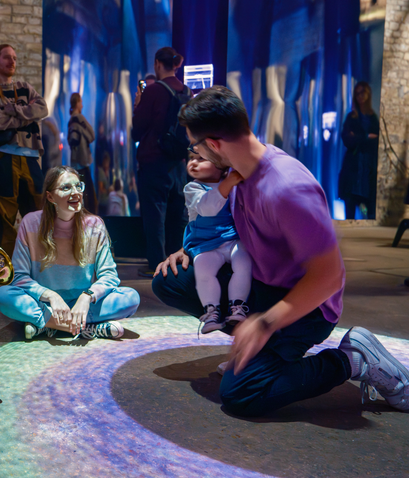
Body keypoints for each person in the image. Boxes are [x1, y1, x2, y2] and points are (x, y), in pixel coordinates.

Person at [152, 86, 409, 417]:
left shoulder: (288, 188)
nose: (195, 154)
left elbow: (329, 277)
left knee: (241, 393)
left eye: (196, 147)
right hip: (263, 282)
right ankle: (261, 351)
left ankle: (353, 359)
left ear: (214, 144)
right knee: (169, 280)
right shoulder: (236, 170)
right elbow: (222, 224)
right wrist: (188, 249)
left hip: (309, 304)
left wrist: (265, 323)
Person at [0, 166, 140, 340]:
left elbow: (109, 275)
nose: (76, 192)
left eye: (78, 186)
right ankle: (88, 327)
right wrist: (51, 296)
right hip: (46, 303)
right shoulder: (31, 223)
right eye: (66, 188)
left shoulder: (95, 225)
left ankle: (47, 325)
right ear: (50, 196)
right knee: (2, 296)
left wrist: (87, 298)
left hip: (82, 305)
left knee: (131, 297)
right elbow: (19, 277)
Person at [0, 44, 48, 256]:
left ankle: (36, 262)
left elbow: (43, 109)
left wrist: (14, 110)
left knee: (38, 213)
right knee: (2, 217)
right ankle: (3, 266)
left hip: (30, 158)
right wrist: (27, 118)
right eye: (7, 57)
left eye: (15, 58)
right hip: (3, 158)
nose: (12, 62)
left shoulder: (25, 88)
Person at [133, 47, 190, 277]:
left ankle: (156, 265)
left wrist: (139, 104)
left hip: (154, 161)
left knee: (154, 214)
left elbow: (137, 130)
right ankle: (177, 264)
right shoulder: (186, 90)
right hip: (178, 162)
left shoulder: (153, 91)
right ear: (175, 65)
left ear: (157, 63)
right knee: (178, 214)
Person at [181, 151, 252, 334]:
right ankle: (211, 311)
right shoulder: (192, 188)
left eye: (201, 159)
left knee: (244, 262)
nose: (193, 163)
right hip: (205, 243)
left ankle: (237, 305)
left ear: (221, 166)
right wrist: (229, 182)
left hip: (231, 238)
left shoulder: (232, 185)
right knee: (203, 270)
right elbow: (208, 207)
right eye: (191, 158)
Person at [338, 81, 379, 220]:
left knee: (369, 209)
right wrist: (366, 137)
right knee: (349, 207)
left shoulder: (373, 118)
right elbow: (347, 139)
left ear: (368, 94)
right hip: (352, 168)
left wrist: (357, 138)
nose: (360, 96)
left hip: (368, 168)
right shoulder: (352, 117)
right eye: (357, 93)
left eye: (362, 92)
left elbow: (377, 141)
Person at [68, 92, 97, 214]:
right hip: (82, 162)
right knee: (90, 198)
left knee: (81, 194)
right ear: (77, 103)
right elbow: (92, 134)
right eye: (81, 102)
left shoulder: (71, 121)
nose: (82, 105)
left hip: (76, 163)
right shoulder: (79, 119)